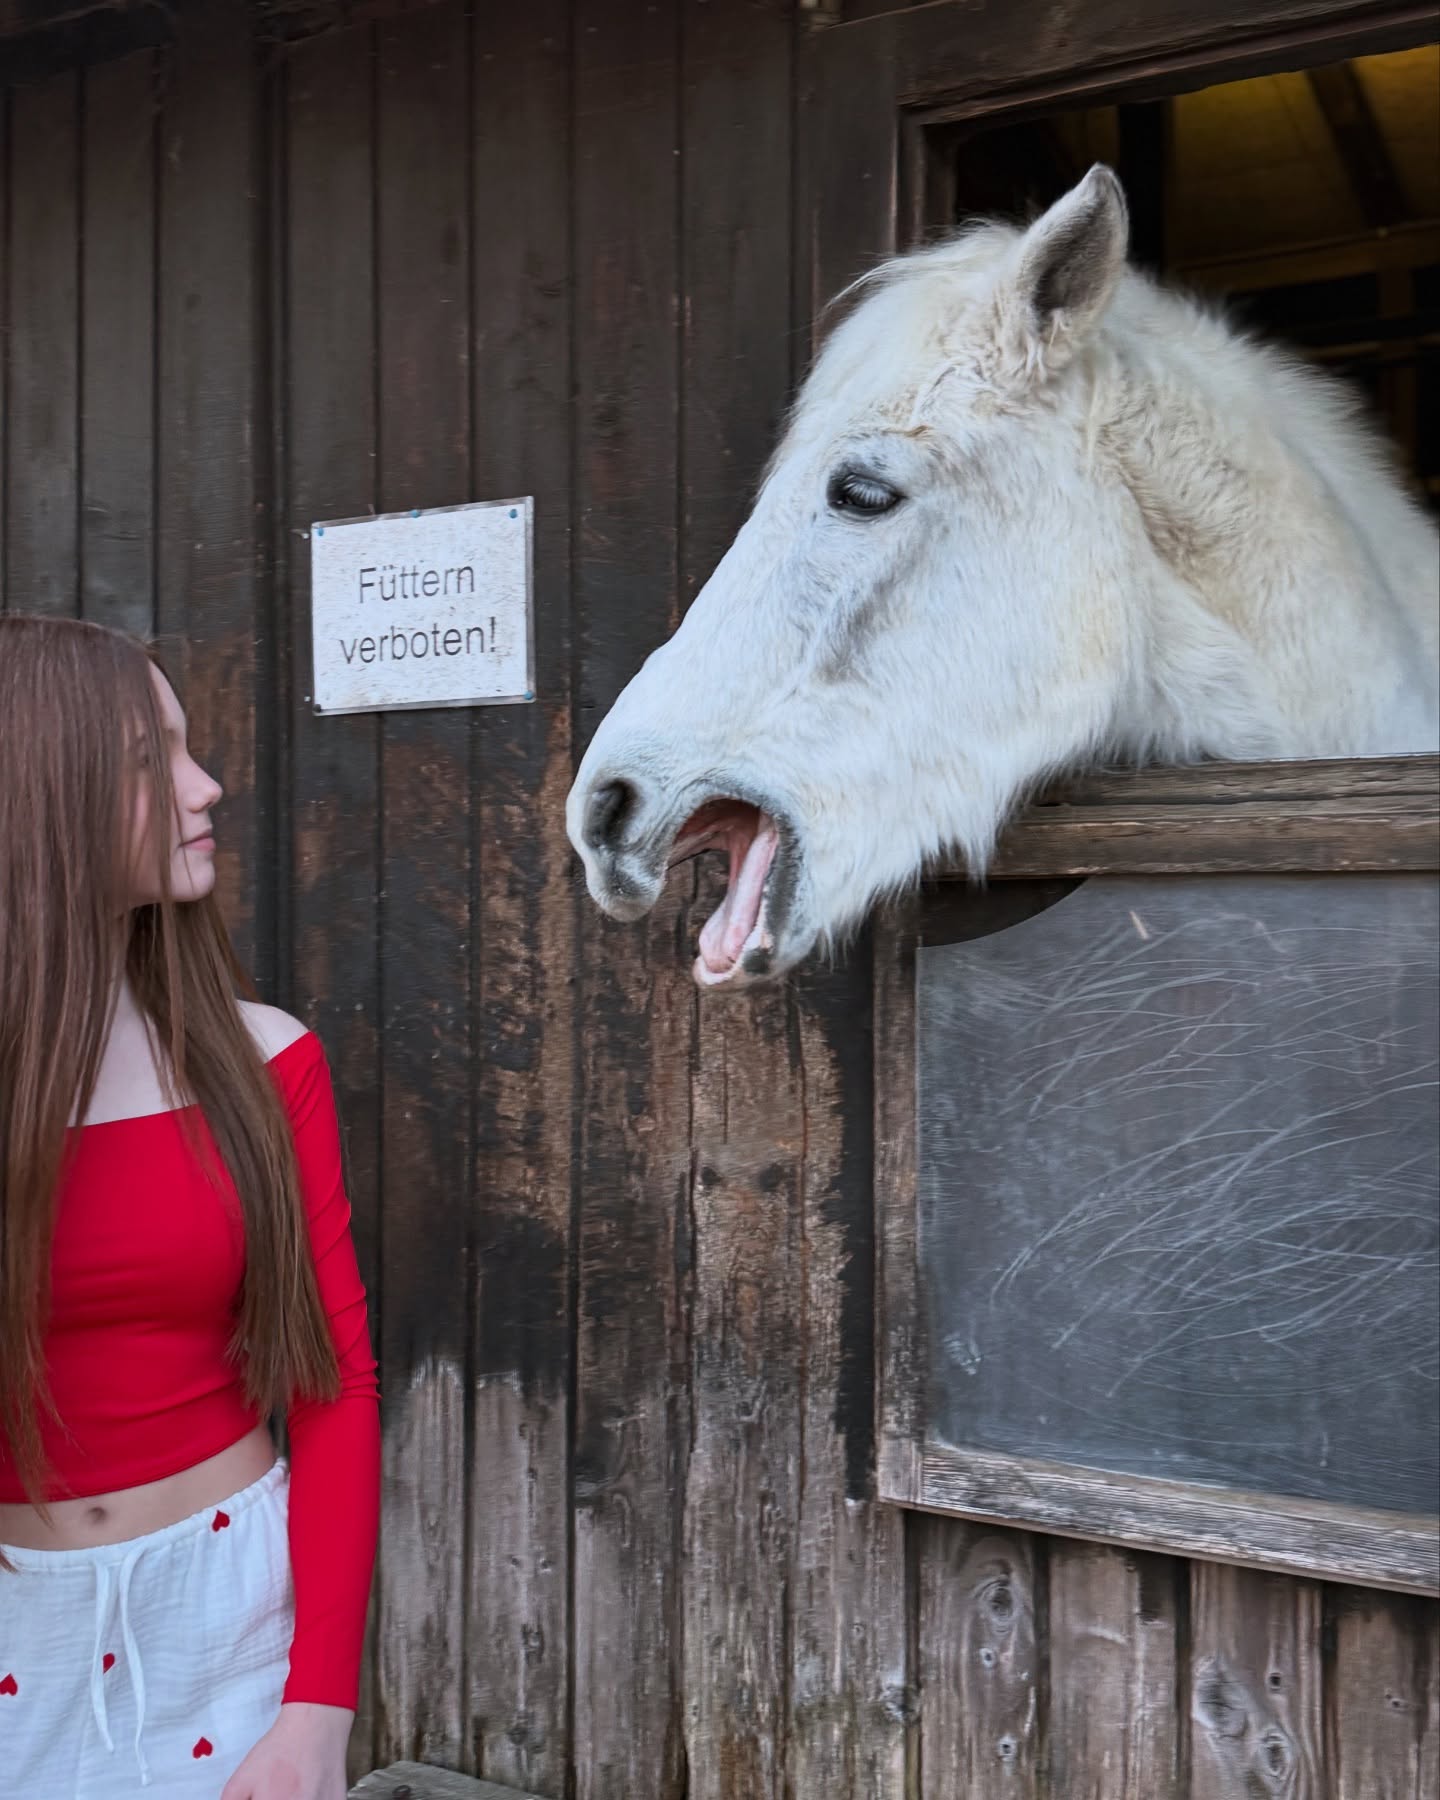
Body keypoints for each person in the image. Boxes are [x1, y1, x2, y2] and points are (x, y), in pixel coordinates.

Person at [0, 615, 381, 1799]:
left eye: (189, 746)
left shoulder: (269, 1065)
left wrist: (318, 1711)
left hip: (227, 1620)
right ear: (39, 793)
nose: (205, 786)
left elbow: (334, 1388)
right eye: (147, 758)